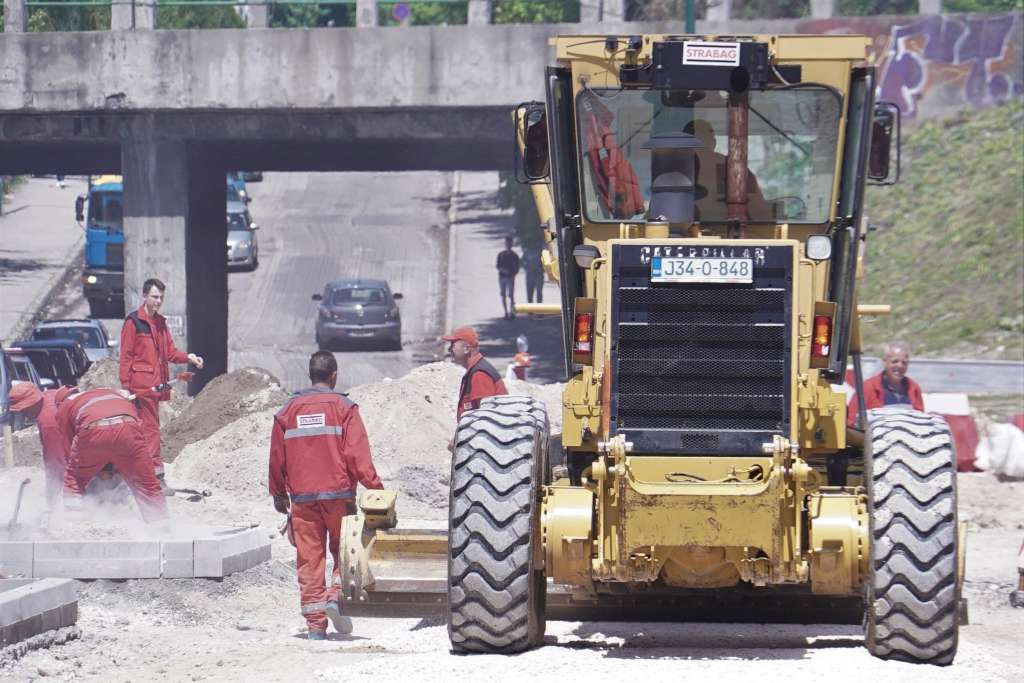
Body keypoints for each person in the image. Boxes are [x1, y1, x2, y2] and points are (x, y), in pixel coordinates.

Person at [269, 351, 384, 641]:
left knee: (310, 560)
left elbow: (276, 457)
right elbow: (358, 455)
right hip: (339, 495)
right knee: (345, 551)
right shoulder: (344, 408)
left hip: (303, 500)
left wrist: (278, 493)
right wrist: (376, 490)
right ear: (334, 376)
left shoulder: (287, 411)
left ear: (311, 375)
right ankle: (335, 596)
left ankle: (315, 628)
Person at [119, 277, 204, 495]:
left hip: (154, 386)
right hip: (141, 388)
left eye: (161, 298)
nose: (158, 301)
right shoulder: (133, 322)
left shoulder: (160, 323)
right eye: (155, 297)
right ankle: (155, 479)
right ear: (145, 297)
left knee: (144, 431)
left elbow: (170, 353)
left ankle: (138, 477)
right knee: (151, 431)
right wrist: (126, 388)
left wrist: (189, 357)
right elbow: (126, 357)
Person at [54, 387, 168, 522]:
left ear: (59, 403)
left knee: (74, 478)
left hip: (93, 430)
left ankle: (75, 525)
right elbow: (131, 436)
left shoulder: (65, 405)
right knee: (147, 483)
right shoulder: (110, 393)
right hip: (129, 426)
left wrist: (85, 468)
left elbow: (68, 447)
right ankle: (161, 527)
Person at [684, 119, 772, 222]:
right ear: (713, 141)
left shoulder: (673, 168)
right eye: (712, 135)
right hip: (725, 232)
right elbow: (760, 212)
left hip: (678, 233)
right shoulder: (732, 167)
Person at [7, 382, 78, 505]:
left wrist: (54, 493)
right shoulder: (50, 395)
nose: (23, 414)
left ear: (32, 403)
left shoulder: (48, 421)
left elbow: (57, 458)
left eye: (23, 409)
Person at [847, 341, 925, 427]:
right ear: (884, 362)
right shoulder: (867, 387)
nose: (900, 366)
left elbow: (921, 421)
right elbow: (851, 421)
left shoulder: (914, 388)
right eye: (894, 361)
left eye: (904, 363)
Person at [444, 326, 508, 420]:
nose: (449, 350)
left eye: (453, 345)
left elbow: (487, 419)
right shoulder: (474, 371)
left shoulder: (479, 375)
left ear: (466, 349)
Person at [496, 237, 521, 320]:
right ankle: (506, 312)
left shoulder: (515, 256)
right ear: (505, 244)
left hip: (510, 277)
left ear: (511, 244)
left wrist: (513, 274)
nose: (508, 245)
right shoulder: (501, 255)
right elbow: (498, 266)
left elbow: (517, 267)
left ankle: (511, 312)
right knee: (503, 295)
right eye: (507, 243)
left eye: (510, 243)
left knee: (511, 296)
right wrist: (503, 270)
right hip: (502, 277)